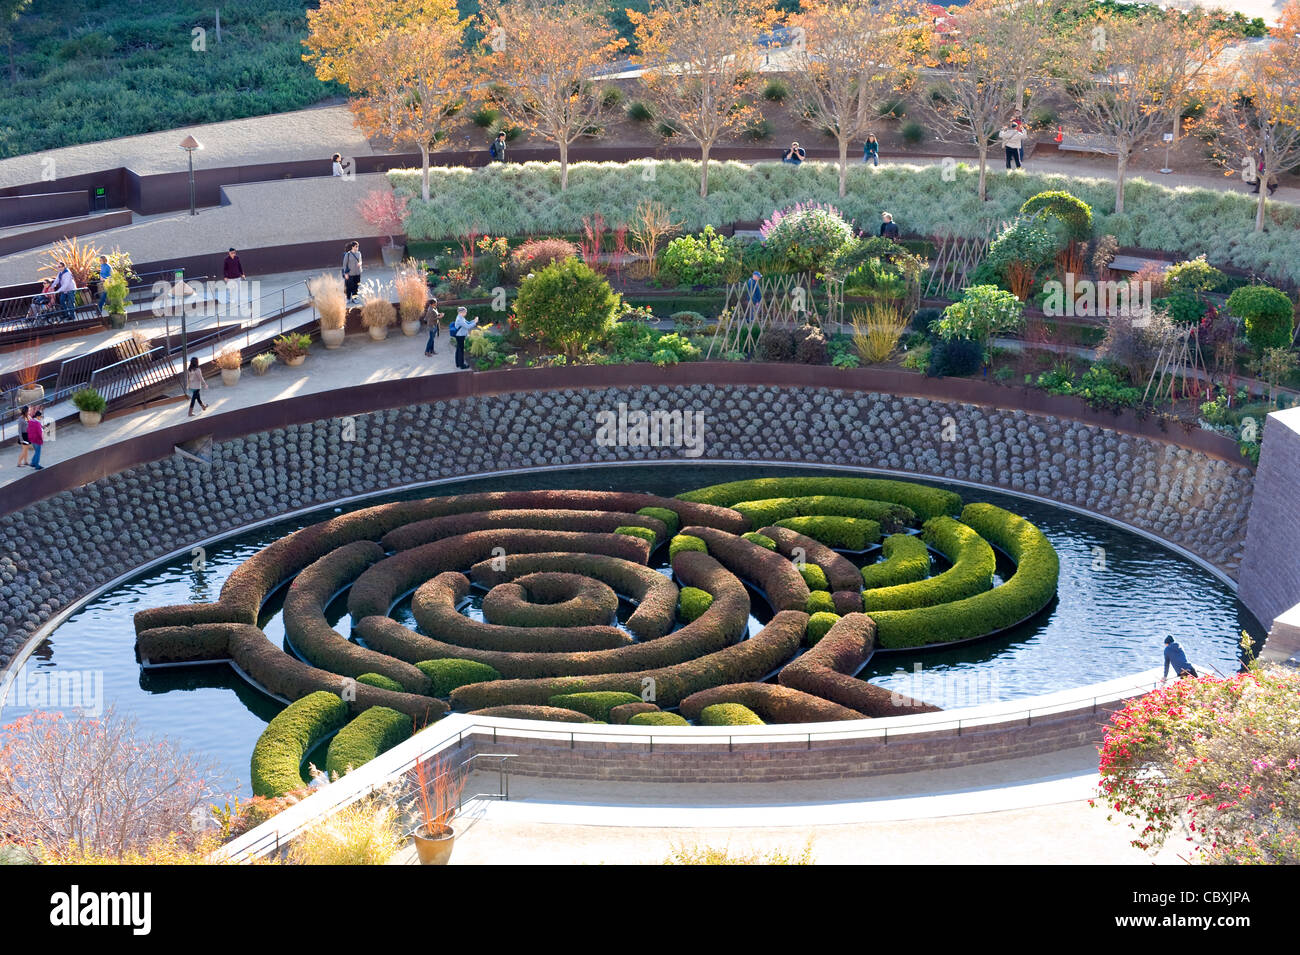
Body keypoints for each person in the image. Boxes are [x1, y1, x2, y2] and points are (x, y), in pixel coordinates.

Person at [221, 248, 246, 314]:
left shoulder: (237, 258)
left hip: (237, 277)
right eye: (232, 253)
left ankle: (240, 303)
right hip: (230, 278)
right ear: (229, 253)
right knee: (231, 291)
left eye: (234, 253)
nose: (233, 254)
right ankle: (232, 303)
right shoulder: (226, 259)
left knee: (239, 290)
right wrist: (225, 277)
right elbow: (225, 269)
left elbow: (240, 266)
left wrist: (242, 274)